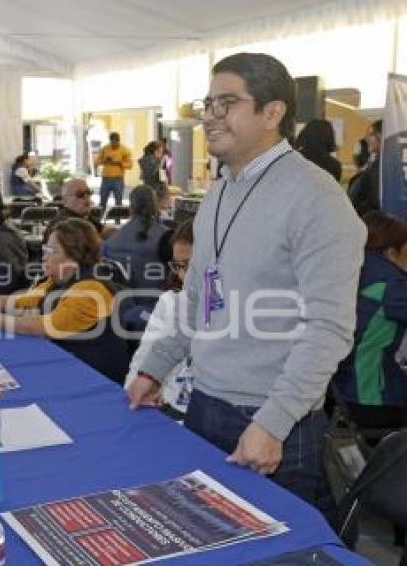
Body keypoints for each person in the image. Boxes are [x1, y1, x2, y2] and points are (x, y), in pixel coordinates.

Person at [128, 52, 366, 518]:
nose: (211, 117)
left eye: (228, 103)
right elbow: (198, 297)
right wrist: (155, 367)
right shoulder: (221, 191)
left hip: (272, 421)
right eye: (208, 103)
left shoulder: (317, 199)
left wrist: (273, 422)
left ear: (272, 112)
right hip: (204, 402)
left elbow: (329, 328)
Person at [0, 218, 130, 383]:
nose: (43, 257)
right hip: (71, 361)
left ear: (74, 256)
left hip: (95, 376)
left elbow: (46, 326)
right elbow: (30, 298)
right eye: (45, 250)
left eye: (51, 251)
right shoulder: (60, 278)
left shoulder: (90, 292)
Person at [331, 211, 407, 431]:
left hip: (343, 391)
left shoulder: (349, 272)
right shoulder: (392, 286)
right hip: (375, 398)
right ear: (391, 252)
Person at [124, 220, 194, 416]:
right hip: (165, 404)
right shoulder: (169, 301)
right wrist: (132, 389)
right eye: (178, 266)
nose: (184, 276)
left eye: (190, 266)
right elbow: (145, 353)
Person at [101, 185, 169, 294]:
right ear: (155, 207)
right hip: (157, 303)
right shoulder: (167, 238)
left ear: (130, 208)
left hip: (122, 304)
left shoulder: (109, 243)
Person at [43, 178, 115, 243]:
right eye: (80, 194)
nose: (86, 197)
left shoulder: (84, 216)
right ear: (65, 200)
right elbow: (95, 246)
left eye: (88, 192)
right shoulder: (65, 223)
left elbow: (103, 231)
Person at [349, 120, 382, 217]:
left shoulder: (380, 167)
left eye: (371, 135)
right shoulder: (374, 164)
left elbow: (375, 199)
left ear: (380, 136)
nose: (367, 139)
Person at [94, 132, 132, 209]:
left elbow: (130, 165)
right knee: (102, 201)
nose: (113, 144)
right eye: (112, 142)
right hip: (106, 178)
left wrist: (120, 163)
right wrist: (104, 160)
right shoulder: (105, 148)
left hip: (118, 179)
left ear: (118, 141)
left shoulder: (125, 150)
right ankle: (100, 218)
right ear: (110, 141)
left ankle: (117, 220)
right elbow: (97, 162)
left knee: (118, 202)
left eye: (115, 142)